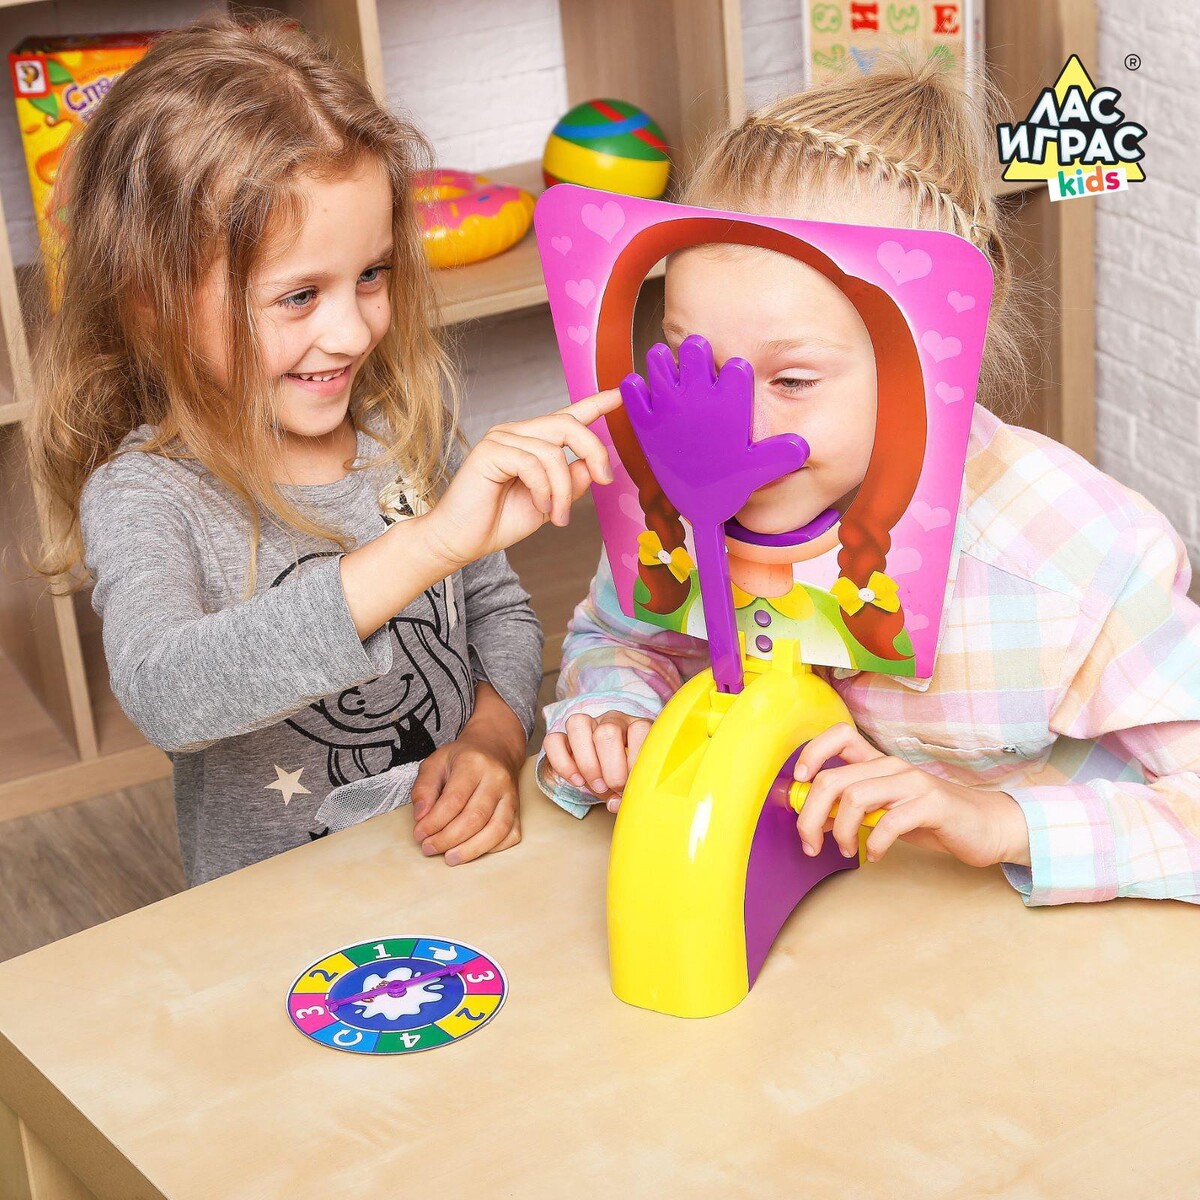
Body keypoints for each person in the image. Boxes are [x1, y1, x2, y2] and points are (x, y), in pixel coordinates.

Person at [541, 58, 1200, 906]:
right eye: (694, 363)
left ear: (934, 357)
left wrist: (1000, 820)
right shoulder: (679, 498)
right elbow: (622, 638)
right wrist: (617, 714)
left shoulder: (1078, 554)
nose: (730, 431)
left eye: (792, 380)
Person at [27, 18, 616, 885]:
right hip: (285, 922)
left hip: (464, 882)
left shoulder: (401, 431)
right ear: (153, 298)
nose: (352, 331)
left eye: (371, 275)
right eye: (299, 295)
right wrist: (427, 546)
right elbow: (168, 695)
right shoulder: (147, 495)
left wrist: (494, 737)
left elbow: (496, 611)